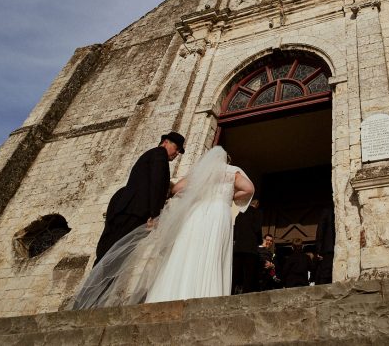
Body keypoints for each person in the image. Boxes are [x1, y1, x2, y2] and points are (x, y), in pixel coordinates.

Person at [72, 146, 254, 308]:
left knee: (188, 252)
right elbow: (249, 189)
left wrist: (199, 193)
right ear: (226, 160)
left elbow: (177, 189)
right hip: (217, 213)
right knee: (213, 251)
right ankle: (208, 294)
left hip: (198, 214)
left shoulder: (200, 174)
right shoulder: (231, 172)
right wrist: (228, 197)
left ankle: (173, 294)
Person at [93, 132, 185, 265]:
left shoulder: (152, 156)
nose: (177, 153)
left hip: (130, 211)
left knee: (112, 254)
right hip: (134, 212)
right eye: (176, 148)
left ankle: (97, 282)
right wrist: (155, 215)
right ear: (165, 142)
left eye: (179, 151)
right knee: (114, 256)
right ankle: (97, 284)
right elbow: (156, 184)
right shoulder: (160, 154)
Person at [232, 198, 263, 294]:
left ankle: (232, 292)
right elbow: (257, 229)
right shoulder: (257, 213)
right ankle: (246, 293)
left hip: (238, 248)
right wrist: (260, 241)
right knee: (249, 273)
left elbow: (235, 231)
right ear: (257, 204)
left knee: (236, 272)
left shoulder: (239, 214)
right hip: (250, 248)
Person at [314, 206, 335, 284]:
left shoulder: (326, 211)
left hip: (328, 248)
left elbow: (320, 230)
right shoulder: (332, 211)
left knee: (325, 274)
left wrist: (318, 250)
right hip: (333, 247)